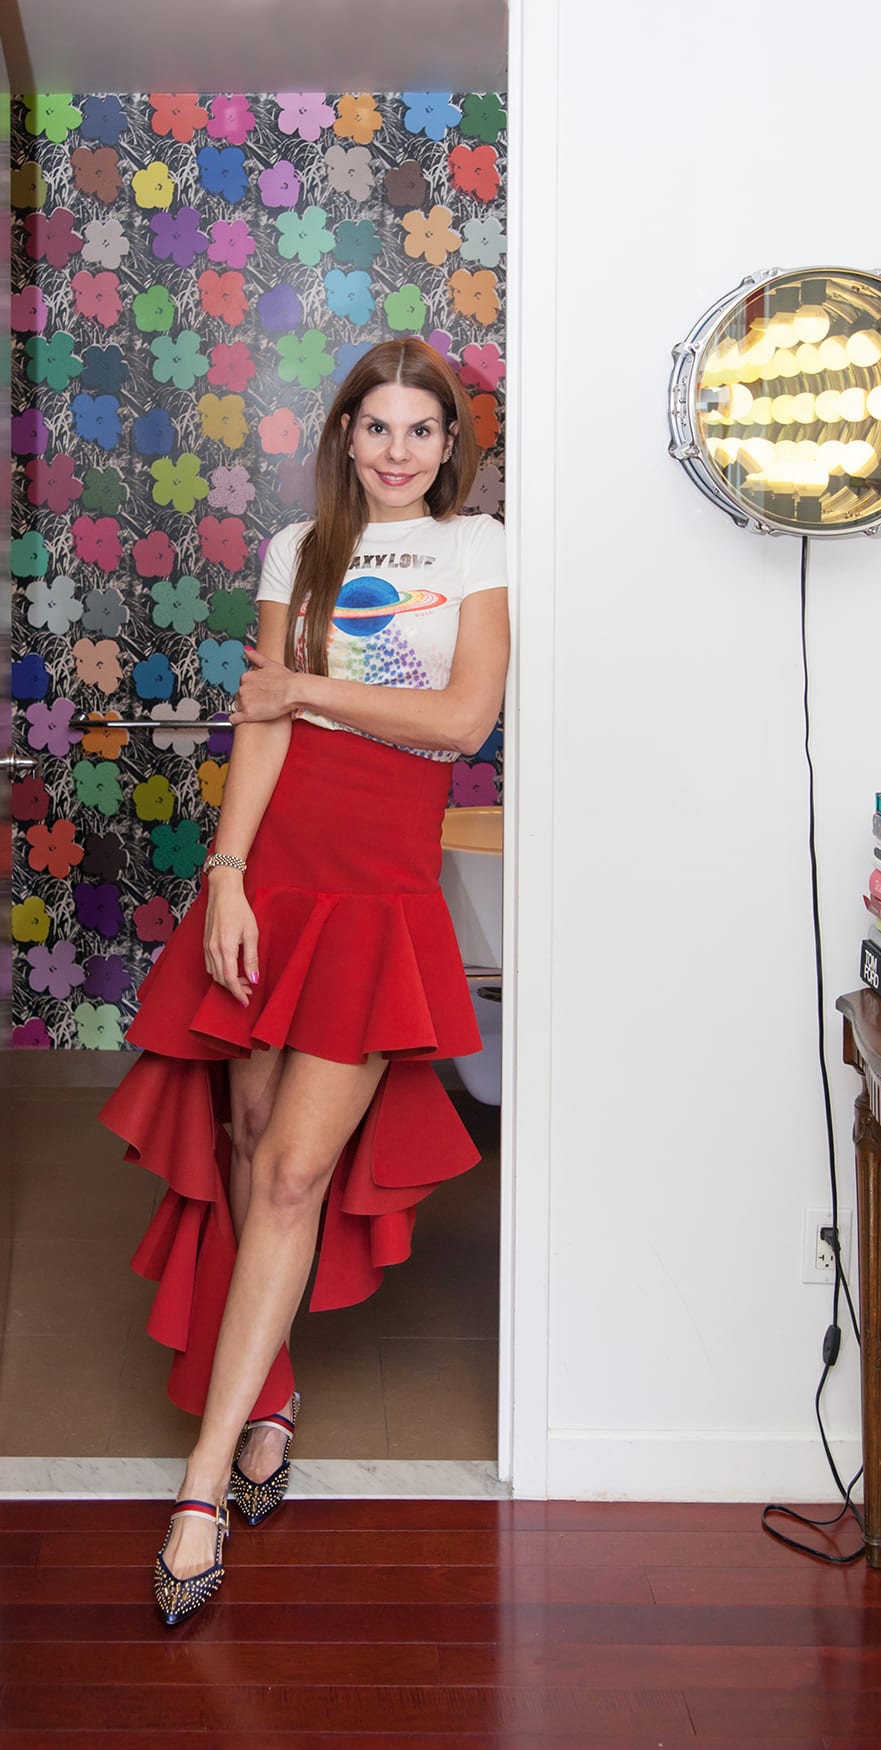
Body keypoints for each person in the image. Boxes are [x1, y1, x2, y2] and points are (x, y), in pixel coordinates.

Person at [111, 339, 506, 1624]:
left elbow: (460, 723)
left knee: (293, 1171)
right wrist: (225, 875)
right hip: (275, 871)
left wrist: (308, 686)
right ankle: (267, 1390)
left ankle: (198, 1485)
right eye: (377, 428)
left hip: (380, 889)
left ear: (451, 447)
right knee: (240, 1138)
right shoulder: (298, 551)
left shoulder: (476, 553)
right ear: (345, 435)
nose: (398, 451)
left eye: (422, 432)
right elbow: (263, 723)